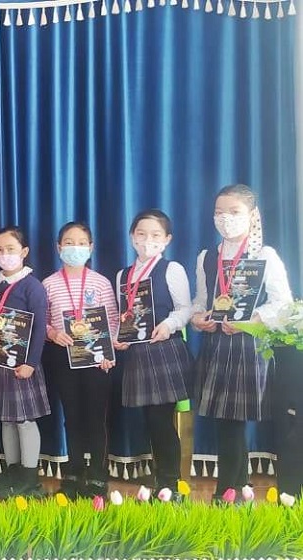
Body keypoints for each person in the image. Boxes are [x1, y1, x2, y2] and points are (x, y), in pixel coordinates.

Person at [191, 185, 292, 502]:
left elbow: (283, 304)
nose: (225, 219)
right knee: (224, 421)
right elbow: (201, 302)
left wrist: (250, 321)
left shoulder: (264, 255)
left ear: (252, 215)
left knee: (232, 421)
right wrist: (198, 318)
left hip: (248, 347)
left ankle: (226, 492)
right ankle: (241, 487)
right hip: (215, 345)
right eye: (219, 212)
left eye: (234, 212)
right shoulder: (207, 257)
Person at [111, 209, 192, 498]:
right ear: (132, 237)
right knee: (148, 421)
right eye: (141, 234)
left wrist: (169, 325)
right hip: (137, 355)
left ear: (167, 239)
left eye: (156, 235)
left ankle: (170, 483)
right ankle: (162, 480)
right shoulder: (123, 275)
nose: (148, 240)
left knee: (161, 420)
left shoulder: (172, 269)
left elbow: (185, 309)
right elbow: (122, 316)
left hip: (165, 352)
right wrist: (119, 338)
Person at [41, 222, 117, 498]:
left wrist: (108, 354)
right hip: (64, 357)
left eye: (81, 243)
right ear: (59, 247)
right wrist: (53, 333)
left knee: (96, 419)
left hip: (97, 360)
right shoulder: (48, 284)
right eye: (69, 242)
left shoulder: (100, 282)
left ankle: (97, 475)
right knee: (71, 418)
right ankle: (72, 473)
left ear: (91, 248)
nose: (75, 248)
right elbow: (42, 323)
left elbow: (113, 320)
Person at [0, 226, 49, 498]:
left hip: (23, 366)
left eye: (10, 249)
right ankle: (13, 470)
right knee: (6, 420)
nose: (4, 254)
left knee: (24, 421)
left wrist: (31, 362)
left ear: (24, 252)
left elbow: (40, 328)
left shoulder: (33, 286)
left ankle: (30, 477)